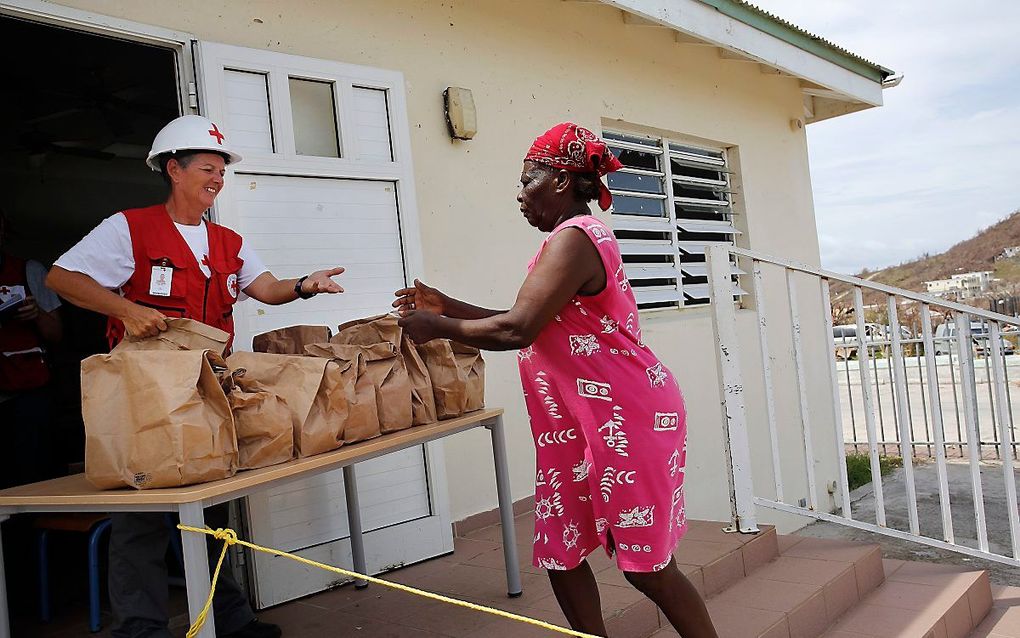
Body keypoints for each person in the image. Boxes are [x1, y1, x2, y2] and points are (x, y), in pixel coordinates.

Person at [394, 123, 719, 637]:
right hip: (575, 427)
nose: (520, 195)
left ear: (562, 181)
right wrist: (448, 306)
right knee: (561, 550)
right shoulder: (565, 242)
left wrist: (436, 327)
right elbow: (532, 319)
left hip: (625, 418)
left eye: (528, 181)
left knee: (648, 569)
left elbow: (517, 329)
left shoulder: (575, 240)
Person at [47, 114, 346, 638]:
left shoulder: (227, 240)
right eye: (207, 168)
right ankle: (139, 630)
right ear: (173, 170)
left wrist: (304, 284)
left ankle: (228, 619)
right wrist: (123, 309)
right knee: (140, 516)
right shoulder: (129, 228)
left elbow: (266, 286)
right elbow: (61, 277)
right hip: (144, 394)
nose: (217, 179)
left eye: (221, 170)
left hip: (211, 387)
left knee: (212, 510)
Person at [0, 209, 63, 489]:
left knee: (34, 473)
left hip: (28, 389)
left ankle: (37, 532)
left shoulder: (28, 269)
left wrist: (35, 313)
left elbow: (56, 334)